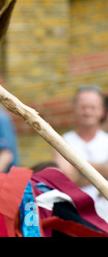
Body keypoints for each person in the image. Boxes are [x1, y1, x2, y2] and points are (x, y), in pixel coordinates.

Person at [54, 85, 108, 221]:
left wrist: (78, 166)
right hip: (75, 216)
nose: (87, 112)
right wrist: (104, 170)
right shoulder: (61, 141)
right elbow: (68, 179)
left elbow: (73, 174)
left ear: (102, 111)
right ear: (75, 110)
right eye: (83, 107)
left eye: (93, 107)